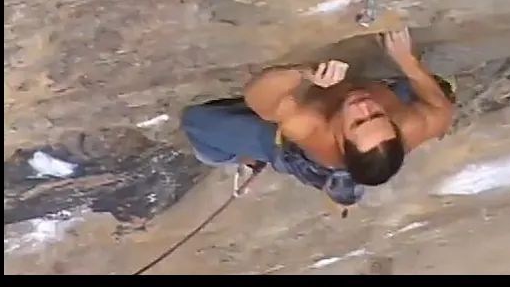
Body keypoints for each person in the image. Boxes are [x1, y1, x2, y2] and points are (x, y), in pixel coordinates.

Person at [181, 27, 455, 207]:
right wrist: (407, 61)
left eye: (358, 122)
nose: (364, 105)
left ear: (340, 139)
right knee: (438, 88)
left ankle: (241, 158)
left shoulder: (312, 129)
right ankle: (350, 184)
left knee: (196, 123)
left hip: (299, 154)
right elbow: (441, 110)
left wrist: (303, 73)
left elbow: (259, 100)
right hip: (368, 137)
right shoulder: (411, 125)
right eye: (377, 115)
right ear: (394, 126)